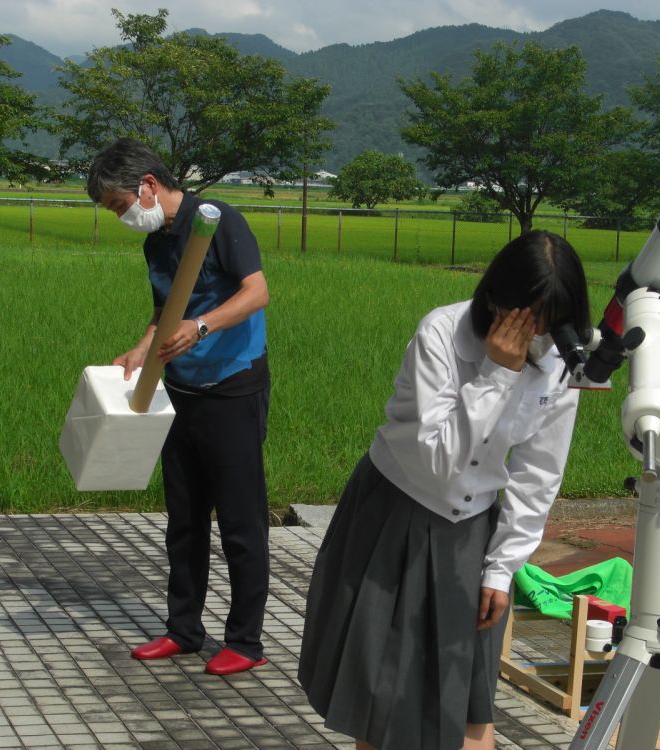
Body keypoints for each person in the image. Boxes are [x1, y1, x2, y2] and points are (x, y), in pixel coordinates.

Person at [297, 230, 591, 750]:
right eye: (526, 316)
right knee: (383, 699)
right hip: (396, 513)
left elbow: (538, 474)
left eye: (550, 322)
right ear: (497, 298)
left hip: (471, 527)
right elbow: (437, 462)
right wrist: (498, 376)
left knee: (468, 694)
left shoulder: (558, 359)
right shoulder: (441, 333)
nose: (535, 334)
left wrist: (502, 568)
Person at [86, 138, 271, 676]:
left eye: (120, 205)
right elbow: (165, 308)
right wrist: (144, 347)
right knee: (184, 521)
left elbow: (257, 292)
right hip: (181, 392)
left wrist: (202, 326)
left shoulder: (219, 221)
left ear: (146, 185)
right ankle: (184, 629)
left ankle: (246, 641)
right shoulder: (157, 242)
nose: (122, 216)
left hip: (233, 387)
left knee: (240, 520)